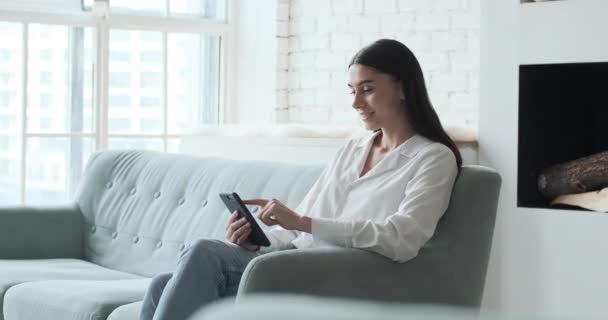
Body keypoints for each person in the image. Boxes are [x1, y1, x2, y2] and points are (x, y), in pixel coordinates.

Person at [139, 38, 462, 320]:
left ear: (403, 87)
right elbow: (299, 228)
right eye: (352, 91)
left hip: (338, 274)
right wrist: (257, 239)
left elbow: (401, 239)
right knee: (160, 285)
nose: (356, 103)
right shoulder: (353, 148)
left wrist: (303, 222)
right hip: (293, 260)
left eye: (368, 89)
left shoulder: (432, 158)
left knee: (205, 251)